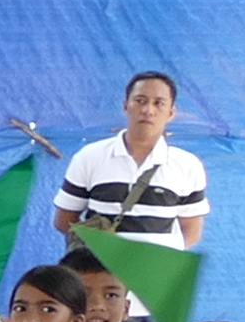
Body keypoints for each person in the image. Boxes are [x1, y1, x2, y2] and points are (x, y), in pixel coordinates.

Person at [55, 72, 208, 253]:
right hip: (100, 273)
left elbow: (192, 231)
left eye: (158, 103)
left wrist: (159, 262)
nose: (148, 110)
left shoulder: (187, 164)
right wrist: (97, 255)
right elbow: (64, 219)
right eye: (140, 100)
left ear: (171, 112)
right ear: (126, 105)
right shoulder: (89, 157)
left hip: (156, 275)